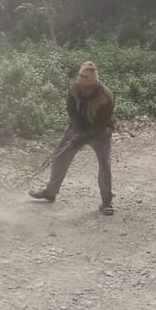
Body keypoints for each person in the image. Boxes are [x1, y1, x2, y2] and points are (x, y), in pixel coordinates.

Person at [30, 61, 117, 215]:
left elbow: (100, 126)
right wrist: (77, 131)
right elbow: (71, 111)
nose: (84, 89)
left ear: (95, 84)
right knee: (60, 156)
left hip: (100, 133)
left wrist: (81, 139)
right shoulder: (74, 88)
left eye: (87, 87)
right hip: (79, 128)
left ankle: (106, 202)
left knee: (104, 165)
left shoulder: (106, 96)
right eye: (82, 86)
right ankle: (50, 192)